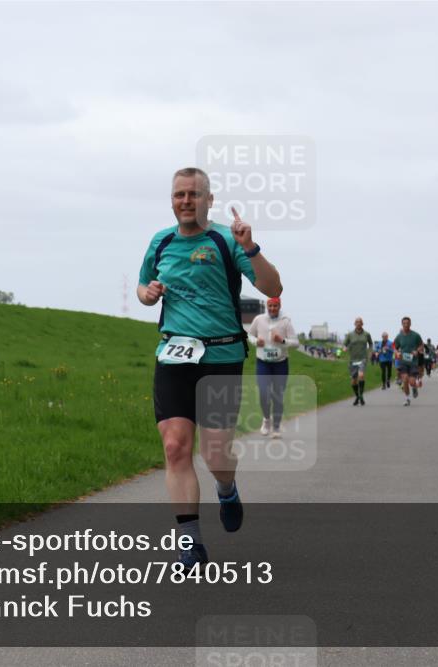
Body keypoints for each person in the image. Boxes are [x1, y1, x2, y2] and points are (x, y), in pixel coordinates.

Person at [137, 167, 282, 570]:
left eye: (194, 194)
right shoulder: (160, 241)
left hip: (220, 358)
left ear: (209, 200)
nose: (186, 201)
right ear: (172, 199)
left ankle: (227, 487)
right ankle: (190, 544)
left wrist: (251, 248)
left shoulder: (225, 239)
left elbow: (273, 288)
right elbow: (143, 285)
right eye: (179, 194)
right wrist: (147, 294)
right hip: (173, 356)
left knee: (216, 453)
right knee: (174, 446)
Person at [248, 296, 298, 437]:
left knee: (278, 396)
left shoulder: (285, 322)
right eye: (270, 306)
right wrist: (256, 341)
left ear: (279, 306)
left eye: (275, 306)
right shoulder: (259, 320)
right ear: (266, 306)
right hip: (263, 362)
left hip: (280, 363)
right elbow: (249, 335)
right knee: (264, 393)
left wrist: (282, 341)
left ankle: (276, 427)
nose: (272, 309)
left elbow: (296, 343)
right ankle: (266, 419)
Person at [393, 317, 424, 406]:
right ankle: (407, 399)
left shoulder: (415, 335)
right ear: (402, 324)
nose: (406, 325)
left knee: (412, 382)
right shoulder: (399, 336)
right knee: (405, 380)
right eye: (404, 323)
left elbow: (421, 345)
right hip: (403, 361)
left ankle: (414, 388)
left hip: (413, 362)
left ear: (410, 324)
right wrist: (397, 352)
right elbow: (394, 346)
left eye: (407, 323)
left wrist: (417, 351)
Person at [344, 317, 373, 406]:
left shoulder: (366, 334)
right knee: (353, 381)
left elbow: (371, 344)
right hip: (353, 359)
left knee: (361, 375)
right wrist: (344, 348)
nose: (358, 323)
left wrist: (370, 352)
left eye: (360, 322)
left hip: (363, 358)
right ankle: (358, 396)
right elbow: (345, 344)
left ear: (362, 324)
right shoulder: (350, 335)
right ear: (354, 324)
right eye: (357, 322)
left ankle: (361, 395)